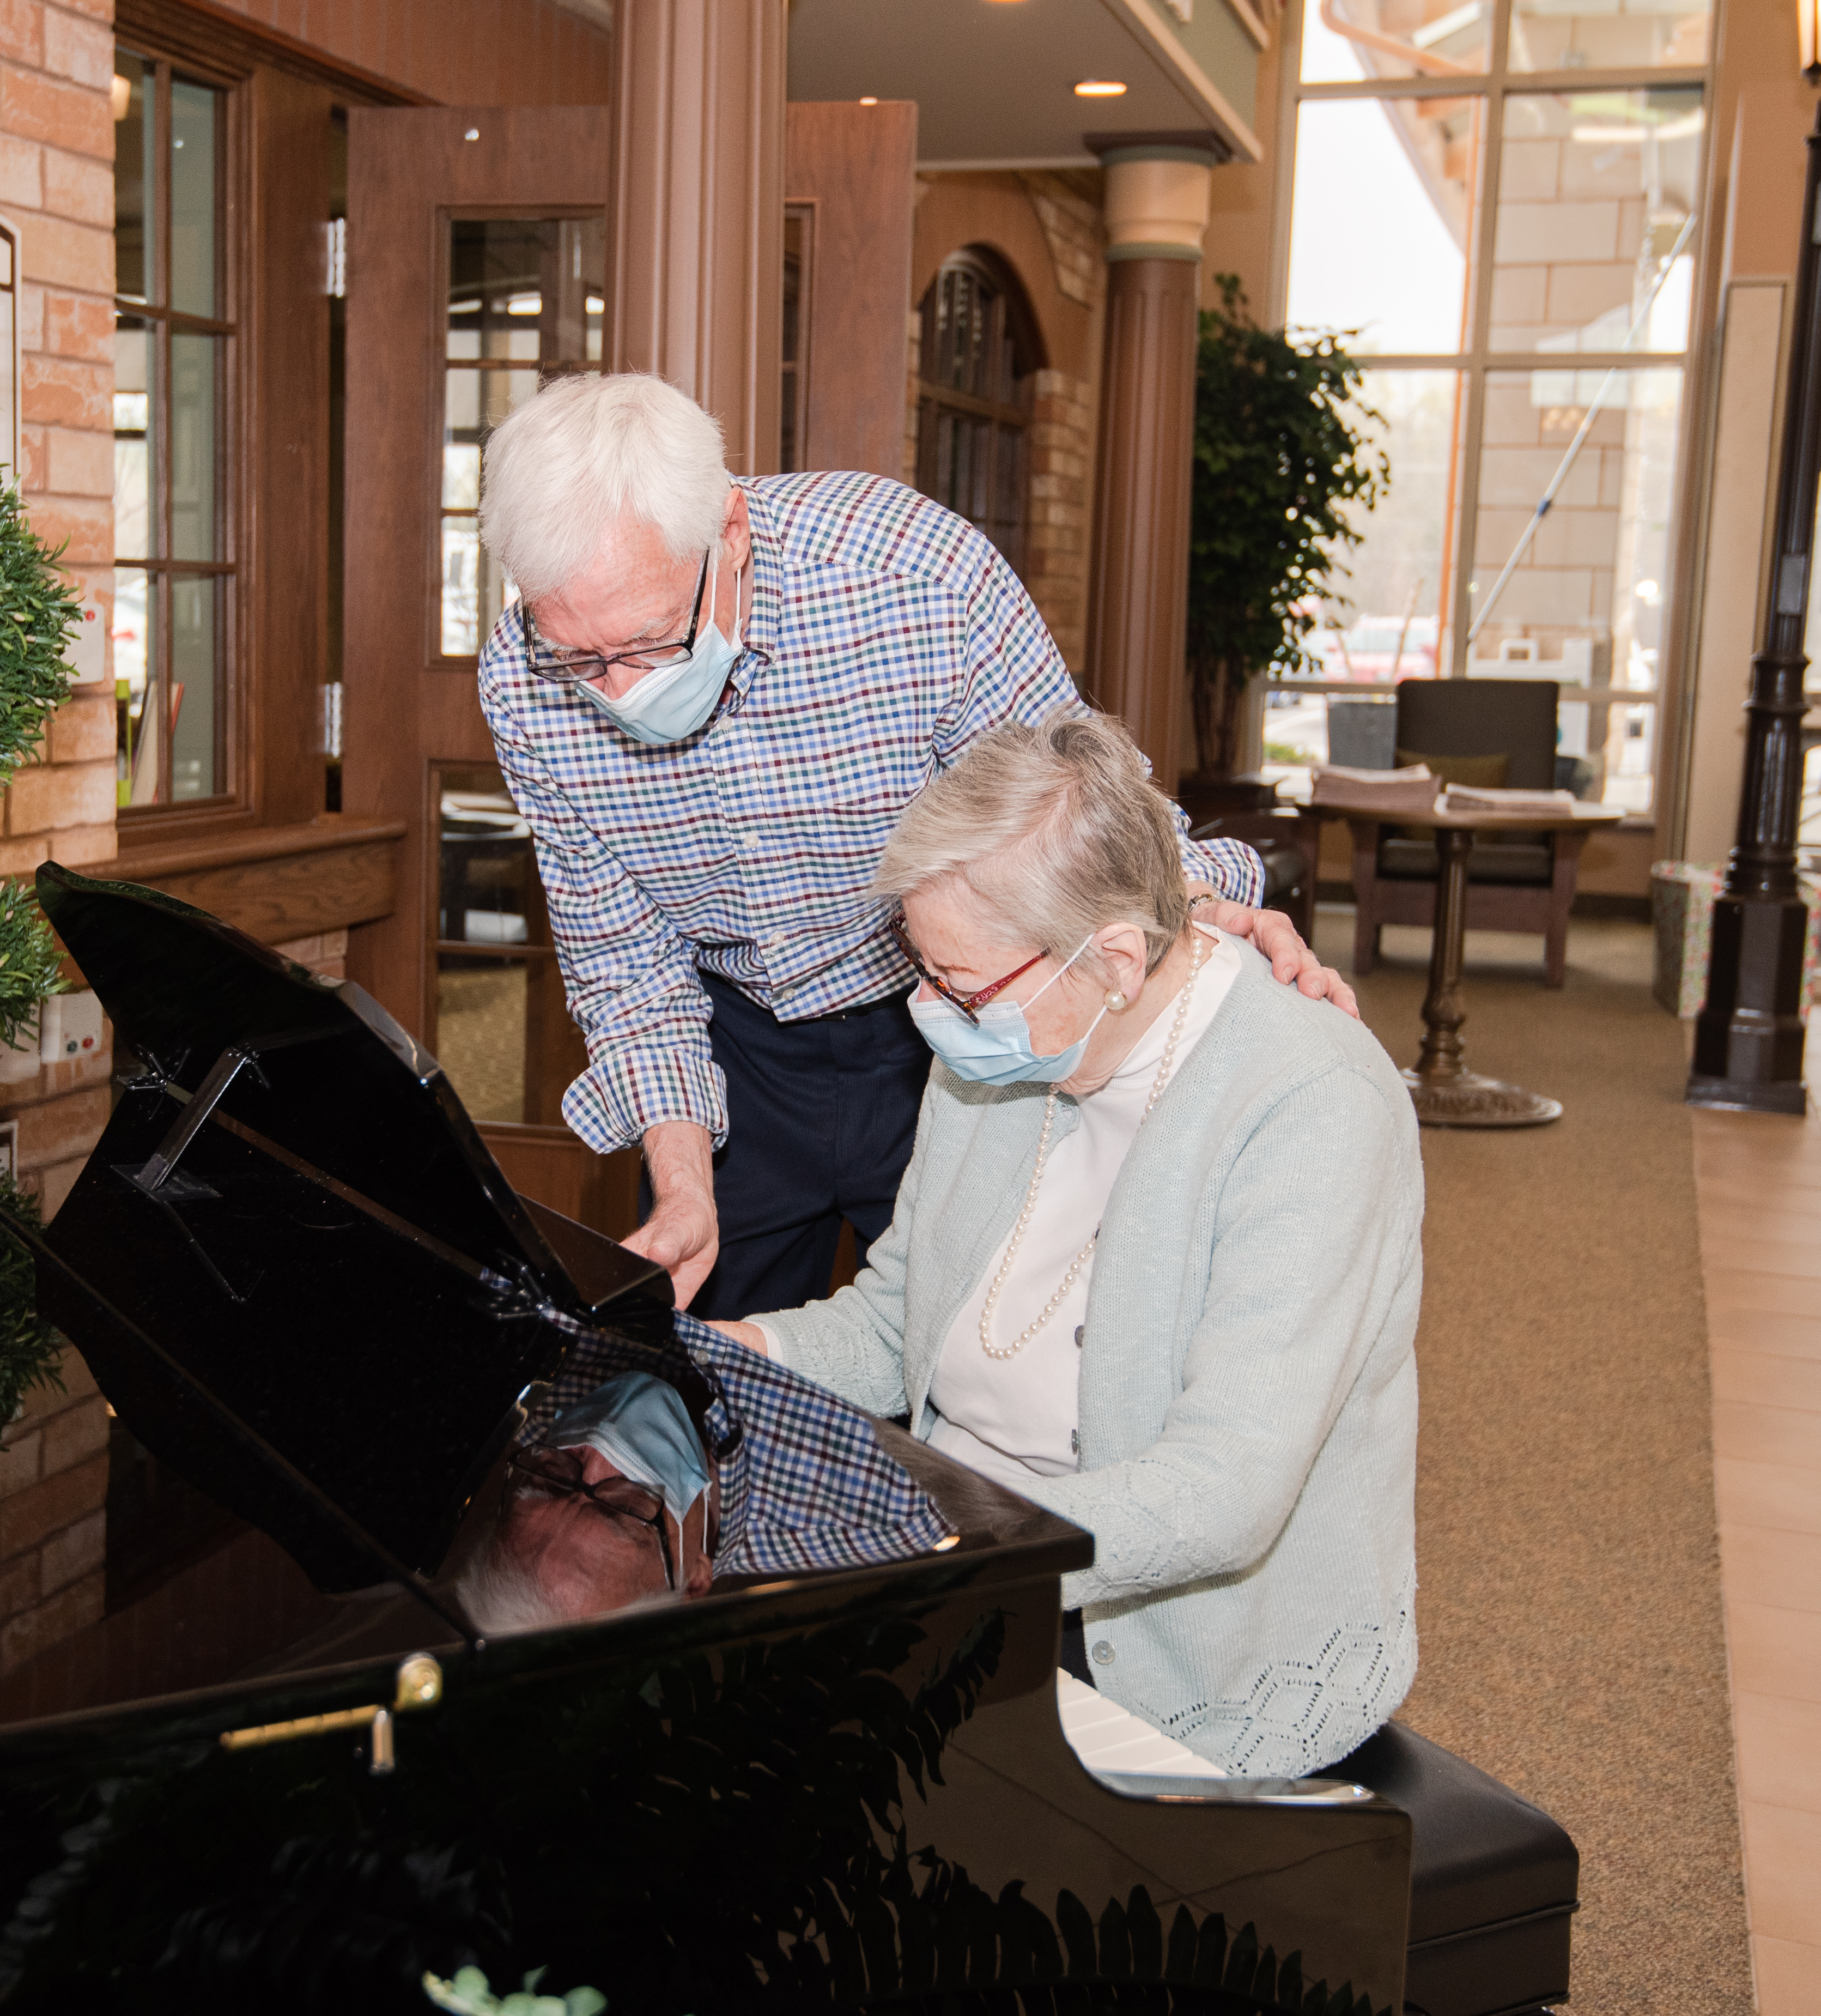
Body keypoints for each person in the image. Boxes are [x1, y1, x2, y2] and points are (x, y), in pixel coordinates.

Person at [475, 373, 1353, 1322]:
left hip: (946, 1024)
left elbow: (1077, 818)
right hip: (732, 1055)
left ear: (729, 534)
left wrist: (1198, 911)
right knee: (704, 1376)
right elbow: (627, 965)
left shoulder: (915, 580)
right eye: (579, 657)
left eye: (650, 641)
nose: (615, 688)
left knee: (974, 1348)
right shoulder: (522, 683)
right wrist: (686, 1181)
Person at [717, 713, 1419, 1778]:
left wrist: (928, 1554)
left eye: (957, 985)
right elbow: (893, 1316)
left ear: (1116, 960)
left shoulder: (1311, 1105)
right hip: (965, 1562)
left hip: (1171, 1650)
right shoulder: (1003, 1043)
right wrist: (720, 1358)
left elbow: (1220, 1493)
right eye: (923, 971)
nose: (929, 1012)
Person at [444, 1317, 951, 1631]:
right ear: (693, 1577)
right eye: (624, 1508)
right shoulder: (867, 1504)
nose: (599, 1454)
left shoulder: (525, 1360)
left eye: (553, 1475)